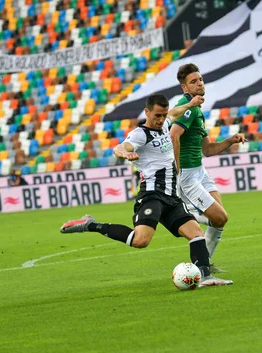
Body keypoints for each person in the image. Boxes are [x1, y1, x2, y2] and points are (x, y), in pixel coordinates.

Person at [60, 93, 233, 287]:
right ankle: (91, 224)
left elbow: (174, 113)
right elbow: (120, 147)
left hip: (171, 196)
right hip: (152, 195)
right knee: (141, 240)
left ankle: (205, 277)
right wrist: (125, 153)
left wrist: (190, 104)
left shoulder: (166, 123)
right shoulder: (140, 134)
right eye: (157, 116)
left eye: (163, 115)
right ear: (147, 112)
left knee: (196, 234)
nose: (160, 120)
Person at [169, 63, 246, 272]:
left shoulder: (197, 110)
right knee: (219, 217)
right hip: (186, 175)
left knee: (219, 220)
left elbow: (208, 150)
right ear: (185, 88)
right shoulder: (187, 107)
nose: (199, 83)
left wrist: (230, 140)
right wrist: (176, 168)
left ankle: (204, 265)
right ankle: (178, 215)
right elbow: (173, 135)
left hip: (200, 171)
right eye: (193, 82)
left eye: (200, 79)